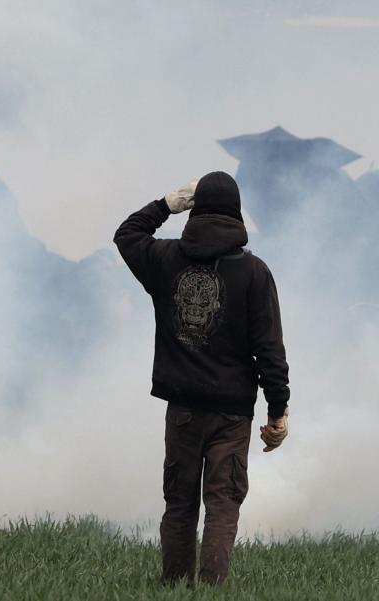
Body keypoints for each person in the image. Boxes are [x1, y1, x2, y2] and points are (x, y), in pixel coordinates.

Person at [113, 171, 290, 586]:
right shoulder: (254, 273)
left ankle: (173, 588)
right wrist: (278, 410)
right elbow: (269, 350)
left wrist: (164, 206)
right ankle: (212, 592)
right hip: (232, 415)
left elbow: (127, 235)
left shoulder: (165, 260)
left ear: (195, 210)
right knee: (223, 503)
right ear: (236, 213)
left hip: (183, 412)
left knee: (179, 504)